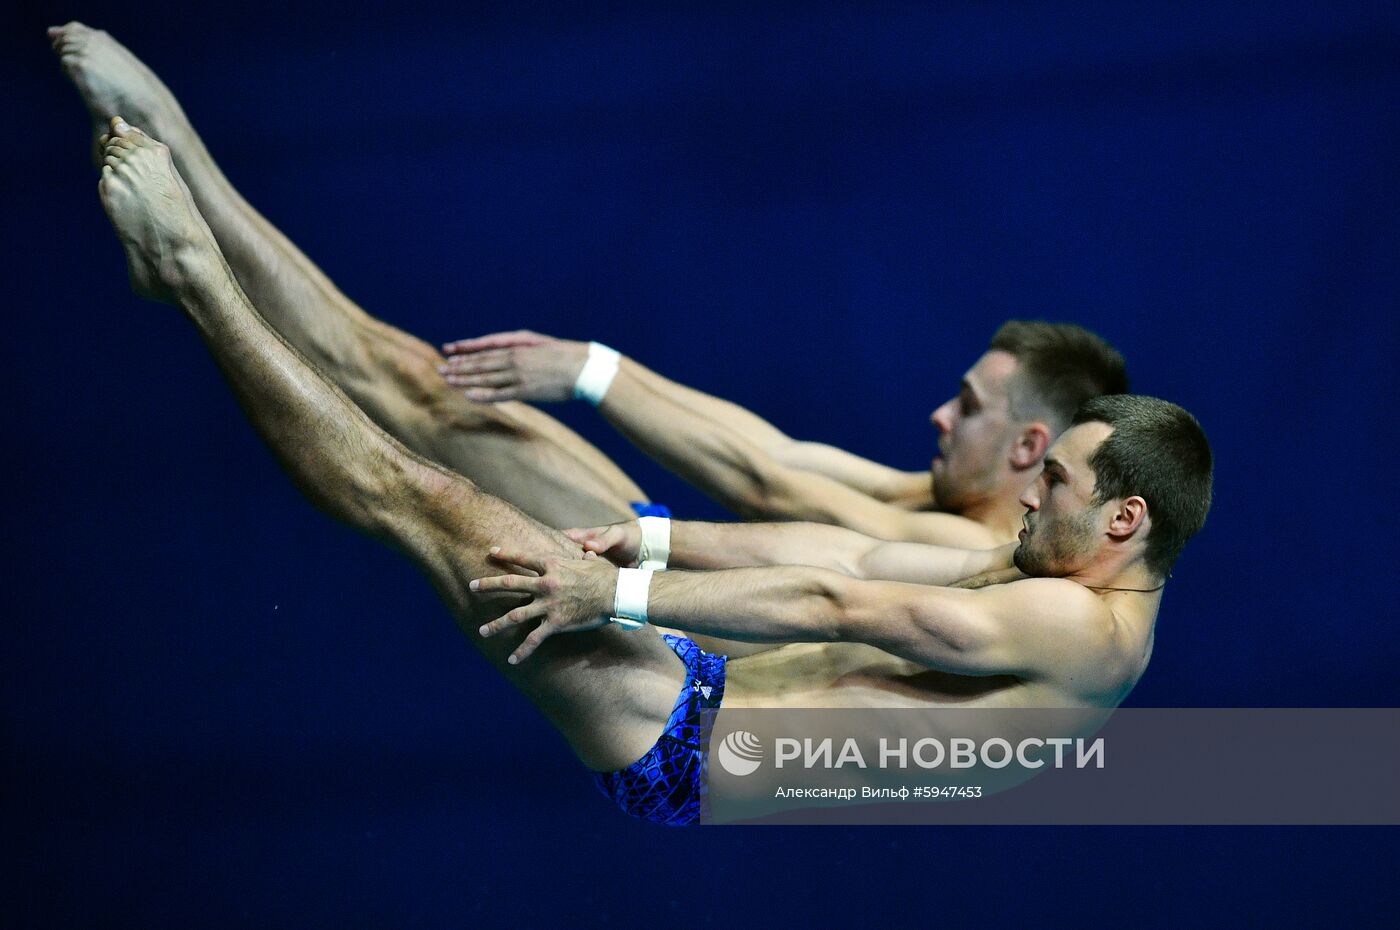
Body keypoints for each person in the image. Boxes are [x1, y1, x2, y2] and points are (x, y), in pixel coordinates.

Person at [85, 112, 1212, 824]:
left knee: (421, 500)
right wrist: (654, 541)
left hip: (687, 731)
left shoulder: (1077, 628)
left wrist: (613, 582)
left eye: (1055, 483)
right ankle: (202, 236)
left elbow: (833, 590)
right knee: (426, 435)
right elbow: (828, 543)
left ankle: (193, 268)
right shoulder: (1027, 563)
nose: (1034, 497)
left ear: (1119, 521)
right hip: (699, 658)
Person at [440, 320, 1129, 548]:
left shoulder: (972, 547)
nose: (940, 417)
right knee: (441, 407)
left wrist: (588, 375)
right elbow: (779, 453)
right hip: (670, 624)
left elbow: (763, 487)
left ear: (1028, 447)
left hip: (681, 702)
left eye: (969, 405)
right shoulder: (935, 496)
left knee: (436, 410)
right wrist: (599, 364)